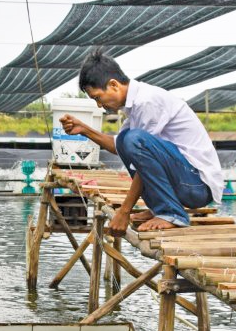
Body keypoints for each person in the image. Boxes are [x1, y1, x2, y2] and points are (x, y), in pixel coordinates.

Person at [59, 49, 223, 235]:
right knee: (125, 140)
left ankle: (171, 213)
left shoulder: (147, 102)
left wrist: (124, 211)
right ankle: (160, 208)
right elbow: (118, 146)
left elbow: (138, 150)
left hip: (198, 186)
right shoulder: (136, 104)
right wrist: (84, 130)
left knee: (131, 139)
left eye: (98, 97)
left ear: (113, 85)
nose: (99, 105)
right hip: (186, 182)